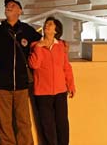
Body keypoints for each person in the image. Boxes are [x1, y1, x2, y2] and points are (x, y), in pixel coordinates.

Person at [0, 0, 42, 145]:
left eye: (12, 5)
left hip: (21, 85)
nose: (8, 6)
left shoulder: (27, 30)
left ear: (20, 11)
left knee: (24, 122)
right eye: (7, 5)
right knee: (4, 124)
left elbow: (42, 44)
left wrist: (61, 43)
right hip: (0, 86)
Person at [28, 17, 76, 145]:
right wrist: (39, 47)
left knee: (62, 124)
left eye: (50, 24)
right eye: (46, 24)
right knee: (47, 126)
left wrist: (70, 84)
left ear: (56, 30)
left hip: (60, 91)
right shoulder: (35, 46)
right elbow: (34, 65)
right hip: (42, 93)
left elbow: (66, 67)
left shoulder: (61, 46)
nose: (46, 26)